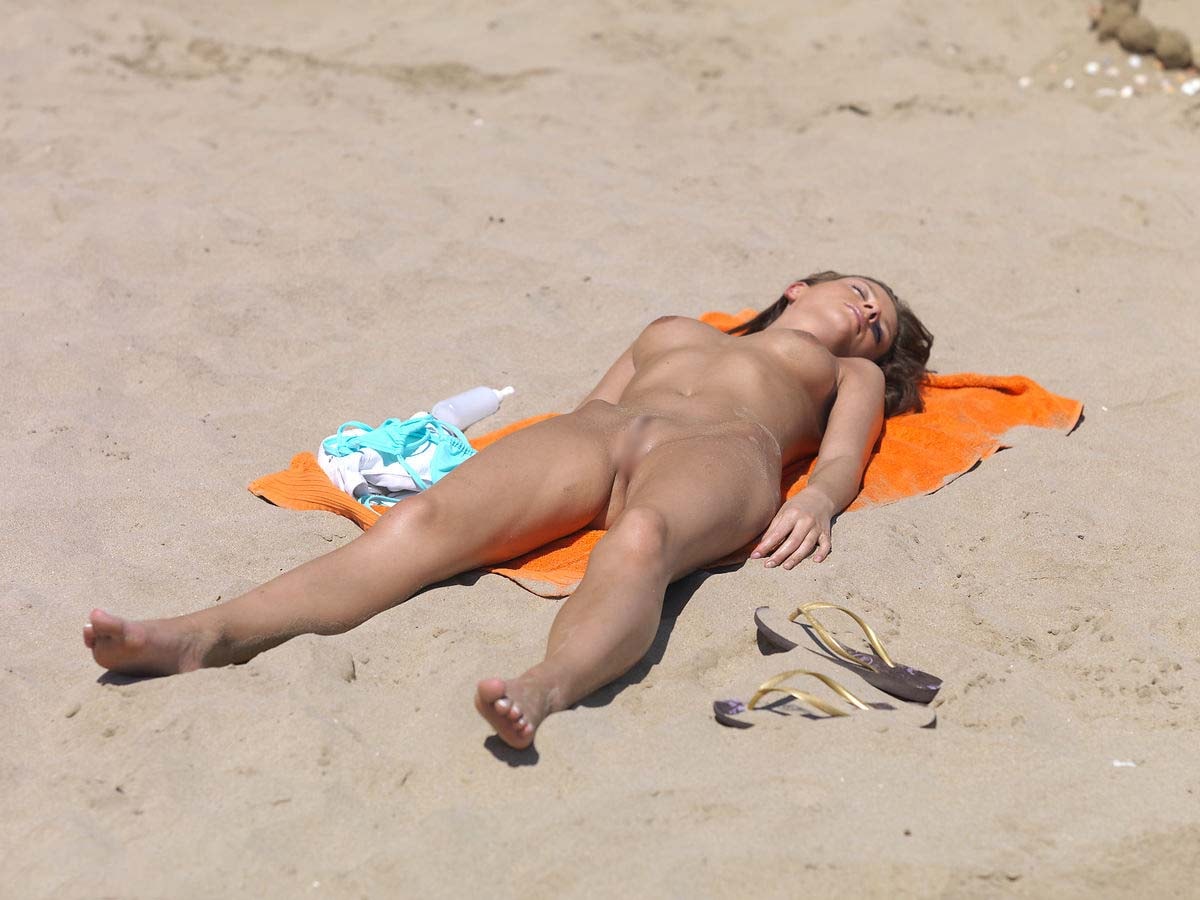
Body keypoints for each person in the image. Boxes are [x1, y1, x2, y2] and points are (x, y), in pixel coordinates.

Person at [83, 270, 933, 749]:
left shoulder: (847, 375)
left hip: (724, 448)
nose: (868, 316)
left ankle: (544, 687)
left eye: (879, 327)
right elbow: (588, 406)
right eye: (864, 294)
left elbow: (841, 458)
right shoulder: (671, 327)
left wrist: (818, 500)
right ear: (799, 285)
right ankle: (204, 634)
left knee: (643, 536)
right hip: (597, 434)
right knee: (422, 524)